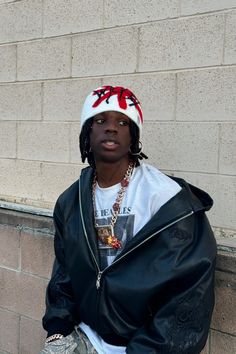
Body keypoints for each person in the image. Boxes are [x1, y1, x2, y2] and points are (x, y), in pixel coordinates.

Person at [40, 85, 217, 354]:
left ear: (134, 134)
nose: (111, 128)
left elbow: (188, 295)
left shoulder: (167, 200)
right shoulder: (71, 201)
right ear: (87, 131)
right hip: (84, 337)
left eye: (123, 122)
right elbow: (64, 272)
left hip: (143, 346)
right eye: (100, 120)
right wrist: (57, 330)